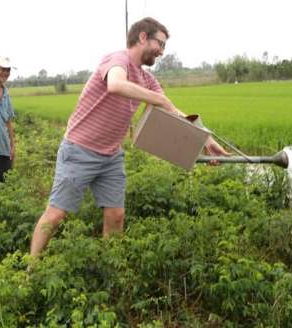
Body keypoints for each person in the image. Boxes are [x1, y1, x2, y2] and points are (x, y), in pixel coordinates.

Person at [30, 17, 230, 257]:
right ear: (143, 37)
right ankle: (31, 270)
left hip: (111, 156)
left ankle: (110, 267)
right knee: (56, 214)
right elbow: (115, 84)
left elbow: (172, 111)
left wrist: (205, 139)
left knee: (116, 215)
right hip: (79, 150)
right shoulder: (117, 60)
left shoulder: (147, 79)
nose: (162, 52)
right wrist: (158, 99)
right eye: (161, 44)